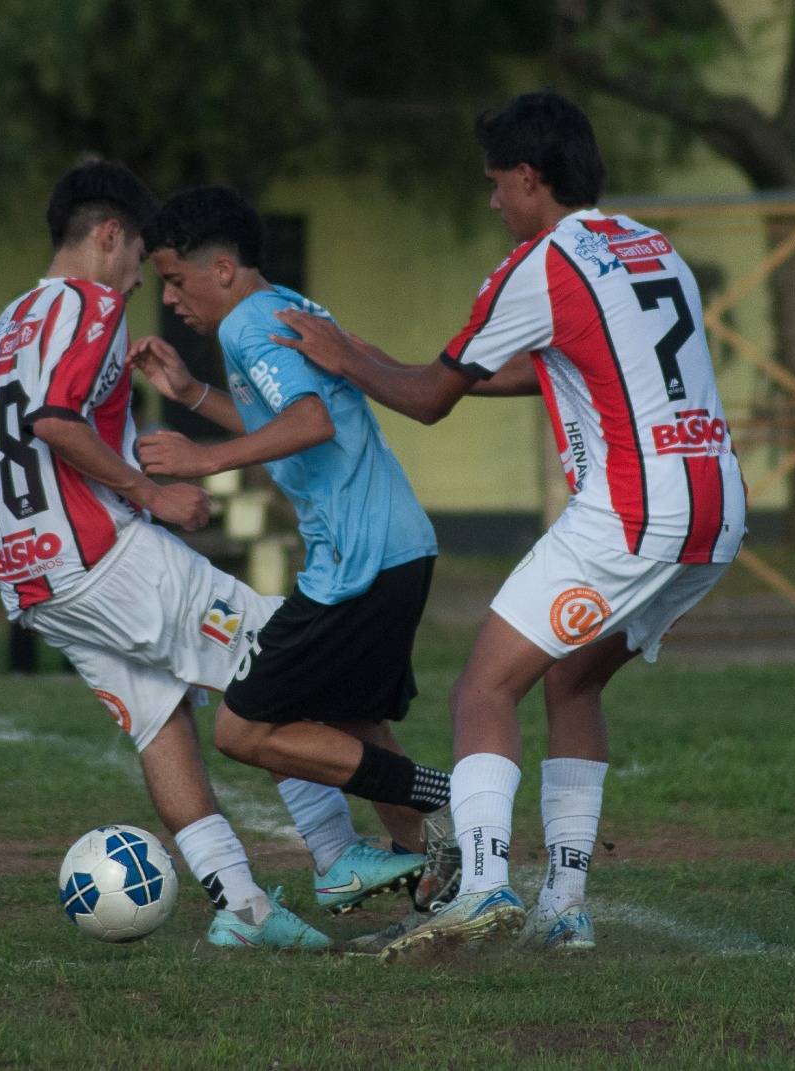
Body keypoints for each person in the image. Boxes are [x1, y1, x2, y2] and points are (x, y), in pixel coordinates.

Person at [0, 160, 420, 950]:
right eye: (143, 258)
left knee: (159, 720)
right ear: (110, 237)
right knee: (279, 664)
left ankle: (242, 908)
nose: (145, 281)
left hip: (32, 578)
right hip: (105, 556)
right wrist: (153, 492)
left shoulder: (5, 325)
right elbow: (56, 421)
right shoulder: (93, 304)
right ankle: (340, 853)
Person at [273, 89, 746, 960]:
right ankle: (564, 905)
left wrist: (347, 359)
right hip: (715, 507)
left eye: (497, 184)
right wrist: (370, 357)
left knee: (482, 690)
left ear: (530, 178)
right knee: (571, 682)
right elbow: (540, 367)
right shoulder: (646, 244)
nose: (493, 202)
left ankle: (485, 883)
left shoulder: (540, 265)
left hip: (633, 510)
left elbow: (430, 403)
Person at [127, 186, 457, 920]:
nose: (171, 300)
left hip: (357, 564)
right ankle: (447, 898)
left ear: (220, 268)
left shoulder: (247, 323)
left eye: (175, 280)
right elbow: (285, 412)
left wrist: (203, 460)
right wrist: (189, 391)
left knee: (242, 730)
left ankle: (452, 795)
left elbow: (308, 422)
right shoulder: (281, 304)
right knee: (359, 732)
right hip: (394, 548)